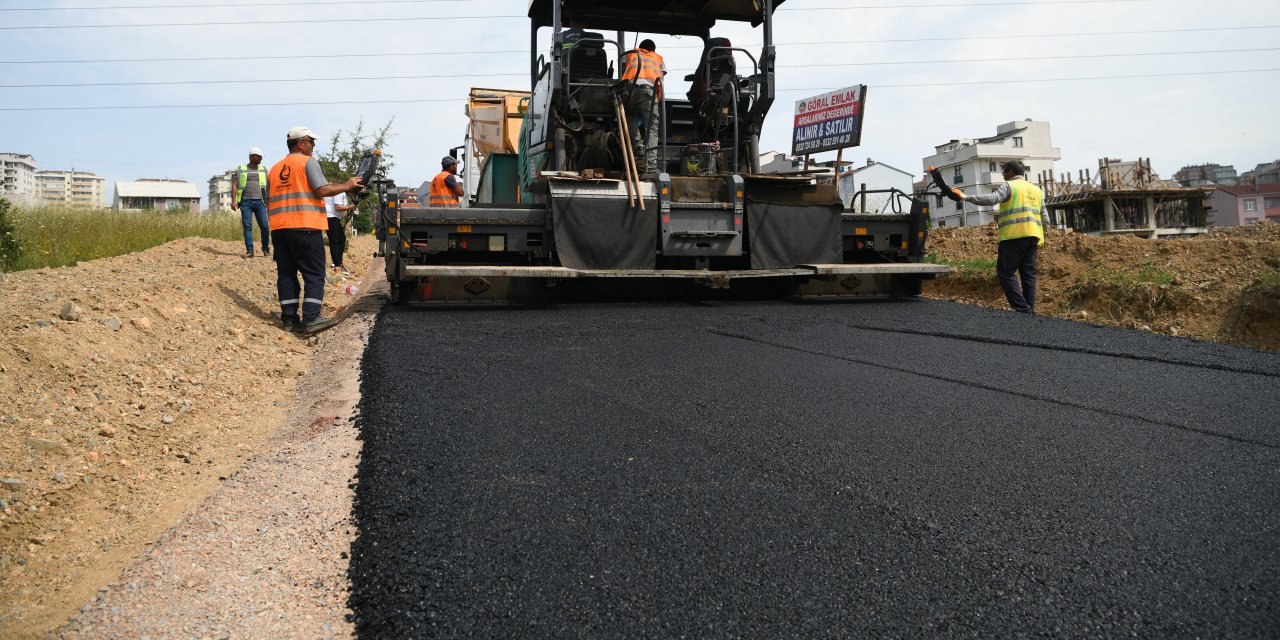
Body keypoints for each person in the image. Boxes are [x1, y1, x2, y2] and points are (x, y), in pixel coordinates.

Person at [267, 126, 363, 333]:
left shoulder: (274, 168)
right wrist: (347, 185)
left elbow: (269, 200)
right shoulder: (307, 162)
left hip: (279, 229)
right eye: (311, 141)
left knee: (286, 274)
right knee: (314, 274)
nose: (314, 145)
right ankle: (311, 318)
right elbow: (322, 190)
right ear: (301, 144)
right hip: (305, 226)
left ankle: (290, 320)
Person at [954, 160, 1048, 314]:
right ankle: (1029, 309)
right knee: (1028, 274)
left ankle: (1023, 309)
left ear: (1011, 172)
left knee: (1005, 272)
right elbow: (1045, 218)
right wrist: (1043, 235)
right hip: (1034, 237)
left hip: (1013, 236)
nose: (1003, 175)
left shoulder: (1009, 186)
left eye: (1004, 171)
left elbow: (992, 199)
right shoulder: (1036, 190)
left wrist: (966, 197)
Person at [619, 39, 667, 176]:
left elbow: (623, 71)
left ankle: (638, 146)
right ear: (653, 50)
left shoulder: (631, 54)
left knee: (629, 116)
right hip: (648, 91)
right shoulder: (657, 59)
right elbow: (661, 78)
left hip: (630, 89)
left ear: (640, 48)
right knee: (651, 126)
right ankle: (650, 166)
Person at [231, 147, 270, 258]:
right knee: (247, 227)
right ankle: (250, 251)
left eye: (261, 156)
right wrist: (233, 201)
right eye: (258, 156)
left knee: (265, 226)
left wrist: (269, 199)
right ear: (251, 157)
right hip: (245, 202)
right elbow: (235, 185)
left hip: (260, 202)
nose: (261, 158)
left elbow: (268, 185)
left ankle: (265, 248)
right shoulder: (241, 169)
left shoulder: (263, 169)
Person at [324, 191, 357, 275]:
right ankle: (338, 264)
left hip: (334, 217)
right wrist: (351, 207)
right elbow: (337, 207)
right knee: (334, 240)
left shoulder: (344, 194)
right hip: (330, 217)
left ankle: (338, 262)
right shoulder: (340, 192)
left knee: (342, 239)